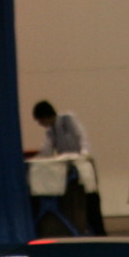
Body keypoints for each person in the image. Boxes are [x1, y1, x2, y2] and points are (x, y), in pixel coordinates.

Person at [32, 100, 105, 234]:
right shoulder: (50, 131)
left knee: (92, 199)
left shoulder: (68, 119)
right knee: (76, 199)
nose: (40, 124)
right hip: (69, 165)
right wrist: (38, 159)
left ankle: (100, 231)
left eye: (39, 120)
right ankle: (83, 228)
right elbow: (47, 149)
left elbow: (81, 135)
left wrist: (84, 153)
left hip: (83, 161)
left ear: (45, 116)